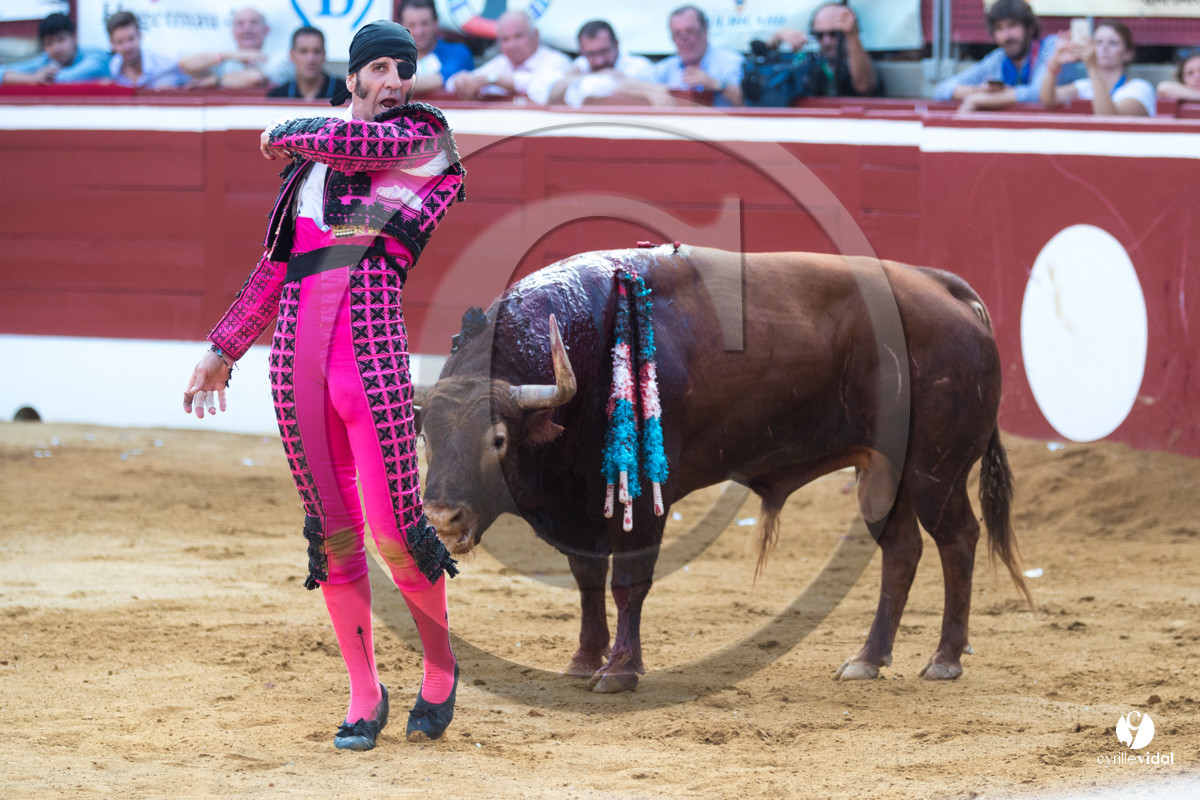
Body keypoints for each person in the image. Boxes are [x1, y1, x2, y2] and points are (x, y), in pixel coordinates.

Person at [182, 20, 465, 751]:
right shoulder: (309, 166)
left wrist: (285, 126)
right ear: (352, 76)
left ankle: (439, 667)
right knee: (333, 534)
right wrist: (224, 346)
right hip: (297, 362)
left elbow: (358, 144)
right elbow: (276, 267)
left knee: (397, 530)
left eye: (404, 69)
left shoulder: (423, 135)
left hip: (369, 357)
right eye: (377, 69)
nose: (393, 82)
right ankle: (363, 694)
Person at [933, 0, 1058, 113]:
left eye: (1012, 25)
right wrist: (979, 91)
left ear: (1029, 27)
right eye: (999, 28)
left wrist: (982, 100)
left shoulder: (1050, 47)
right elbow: (941, 90)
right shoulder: (998, 58)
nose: (1006, 36)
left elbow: (1039, 93)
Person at [448, 10, 570, 103]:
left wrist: (492, 79)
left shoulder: (557, 61)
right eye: (505, 39)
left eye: (518, 36)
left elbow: (540, 85)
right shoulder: (502, 62)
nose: (512, 45)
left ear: (536, 35)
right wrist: (461, 80)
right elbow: (451, 83)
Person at [1040, 20, 1154, 117]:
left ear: (1128, 53)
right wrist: (1055, 63)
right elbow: (1048, 99)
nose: (1104, 47)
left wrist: (1093, 67)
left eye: (1113, 43)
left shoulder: (1140, 88)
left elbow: (1108, 118)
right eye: (1098, 42)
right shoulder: (1085, 86)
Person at [767, 2, 880, 97]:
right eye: (819, 35)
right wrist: (776, 39)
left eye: (834, 34)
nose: (827, 42)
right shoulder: (809, 62)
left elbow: (864, 86)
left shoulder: (862, 63)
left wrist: (852, 36)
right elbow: (760, 80)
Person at [546, 19, 665, 107]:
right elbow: (551, 98)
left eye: (604, 51)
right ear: (581, 52)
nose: (599, 60)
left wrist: (579, 78)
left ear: (616, 44)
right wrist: (602, 75)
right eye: (591, 54)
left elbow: (647, 93)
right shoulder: (581, 64)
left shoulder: (639, 66)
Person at [107, 11, 224, 89]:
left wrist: (177, 89)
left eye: (131, 39)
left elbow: (200, 75)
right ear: (112, 44)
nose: (127, 47)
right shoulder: (112, 68)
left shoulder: (164, 62)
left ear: (140, 36)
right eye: (120, 42)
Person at [654, 5, 743, 107]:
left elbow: (752, 104)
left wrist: (719, 85)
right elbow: (633, 85)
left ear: (705, 30)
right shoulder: (665, 68)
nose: (684, 40)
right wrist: (652, 90)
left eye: (690, 31)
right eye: (677, 34)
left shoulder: (732, 63)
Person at [191, 8, 295, 90]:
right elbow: (186, 64)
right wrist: (232, 55)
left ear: (266, 30)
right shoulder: (226, 59)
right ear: (232, 31)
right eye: (240, 24)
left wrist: (212, 81)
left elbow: (256, 78)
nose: (247, 29)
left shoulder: (279, 59)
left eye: (254, 23)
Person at [0, 12, 108, 86]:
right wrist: (33, 79)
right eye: (49, 43)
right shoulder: (45, 61)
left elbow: (70, 77)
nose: (56, 48)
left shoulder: (96, 56)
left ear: (74, 38)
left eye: (61, 40)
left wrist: (42, 78)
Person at [398, 0, 474, 96]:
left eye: (425, 24)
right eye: (411, 25)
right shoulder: (392, 57)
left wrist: (395, 84)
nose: (419, 32)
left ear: (436, 23)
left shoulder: (457, 52)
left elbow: (443, 78)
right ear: (401, 27)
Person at [267, 27, 337, 100]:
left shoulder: (344, 94)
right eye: (303, 51)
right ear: (291, 55)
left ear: (324, 55)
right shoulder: (277, 97)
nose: (310, 59)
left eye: (317, 51)